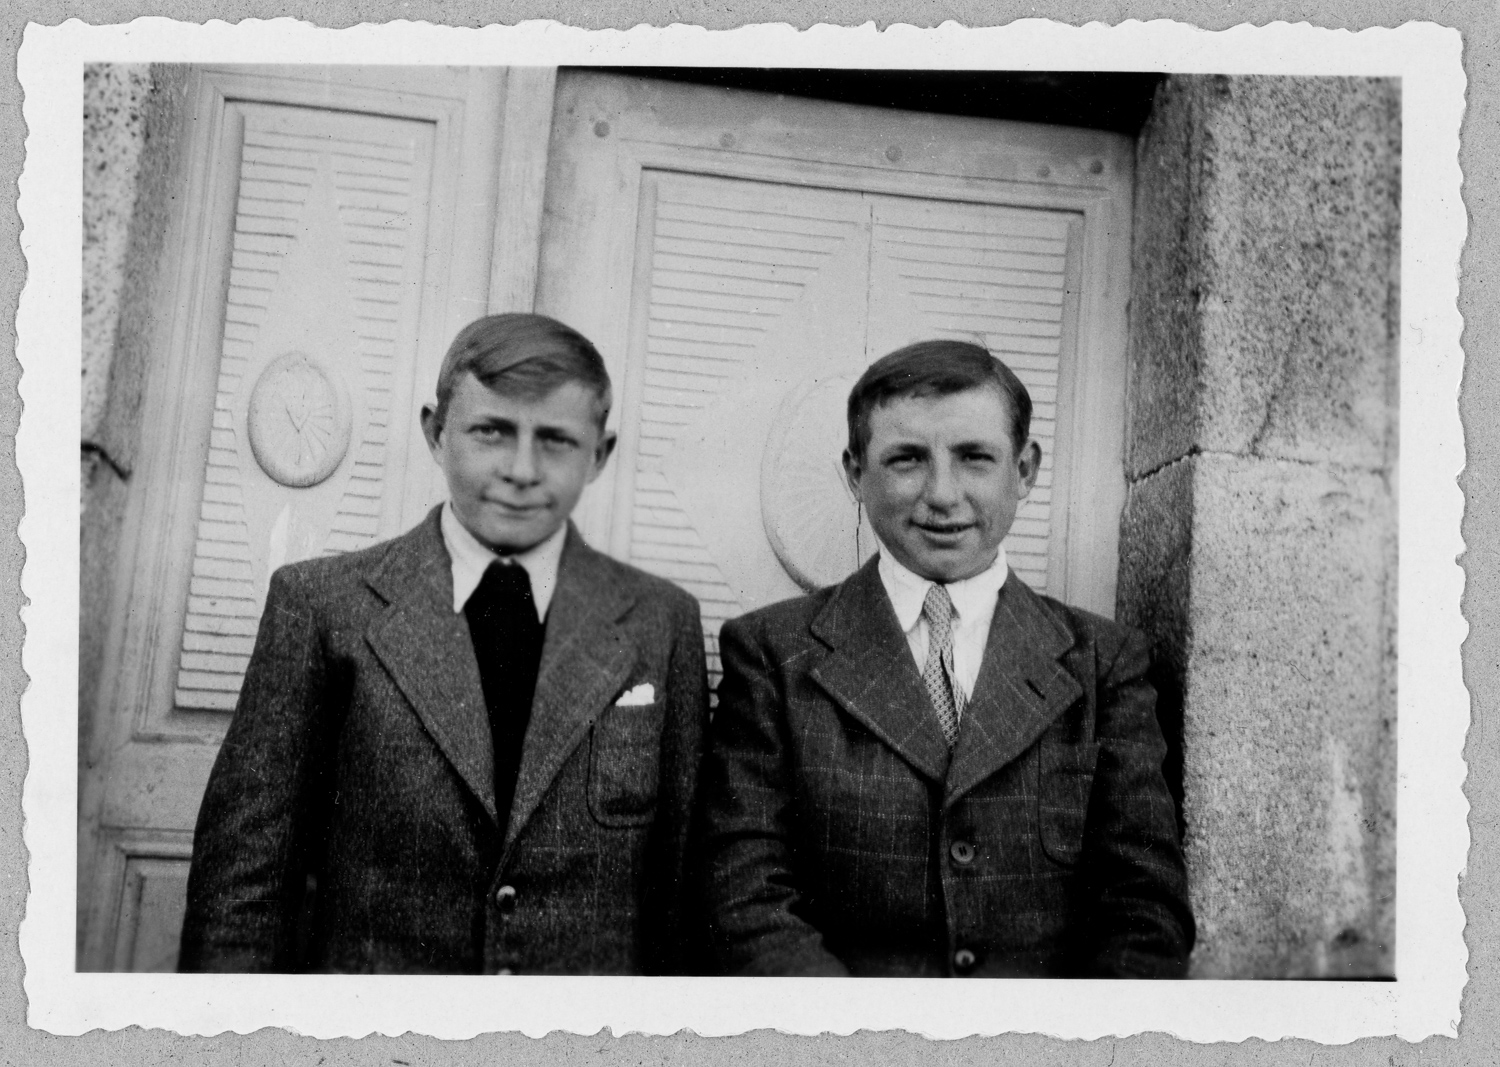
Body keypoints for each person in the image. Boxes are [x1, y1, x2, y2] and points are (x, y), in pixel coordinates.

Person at [180, 313, 708, 974]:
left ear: (599, 455)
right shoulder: (323, 606)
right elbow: (244, 887)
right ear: (435, 432)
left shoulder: (660, 622)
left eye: (556, 440)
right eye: (492, 431)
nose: (521, 470)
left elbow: (682, 895)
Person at [696, 339, 1194, 978]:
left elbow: (1145, 909)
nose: (942, 494)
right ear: (855, 473)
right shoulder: (772, 655)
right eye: (907, 459)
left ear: (1025, 470)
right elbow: (745, 895)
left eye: (974, 458)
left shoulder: (1103, 664)